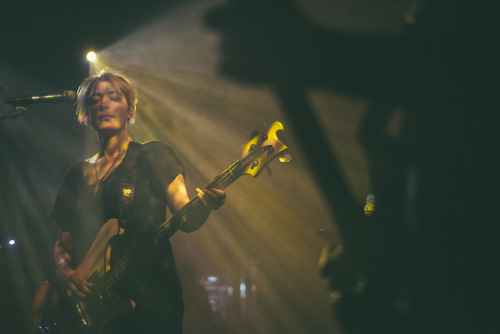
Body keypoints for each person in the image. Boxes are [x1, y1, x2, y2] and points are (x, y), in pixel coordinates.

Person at [50, 71, 226, 333]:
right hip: (97, 310)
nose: (104, 104)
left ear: (130, 110)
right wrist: (64, 271)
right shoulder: (76, 175)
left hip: (151, 302)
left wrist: (207, 206)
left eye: (113, 97)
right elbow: (64, 241)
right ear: (85, 114)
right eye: (95, 100)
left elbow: (186, 215)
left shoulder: (154, 155)